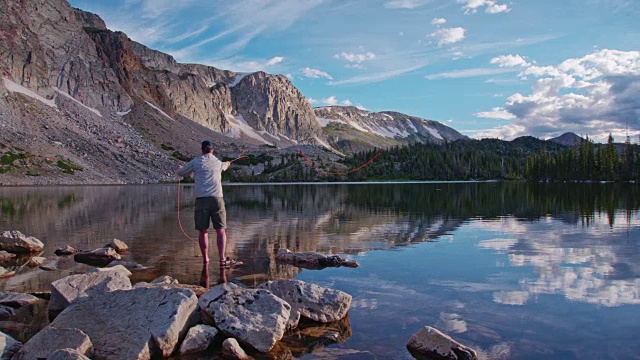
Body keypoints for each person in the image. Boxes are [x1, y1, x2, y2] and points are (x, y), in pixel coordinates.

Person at [176, 140, 236, 267]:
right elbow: (225, 165)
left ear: (202, 150)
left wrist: (179, 169)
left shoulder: (196, 162)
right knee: (221, 230)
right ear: (212, 150)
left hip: (202, 200)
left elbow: (181, 173)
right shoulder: (219, 163)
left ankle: (206, 260)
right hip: (217, 199)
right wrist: (228, 163)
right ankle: (222, 259)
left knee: (203, 231)